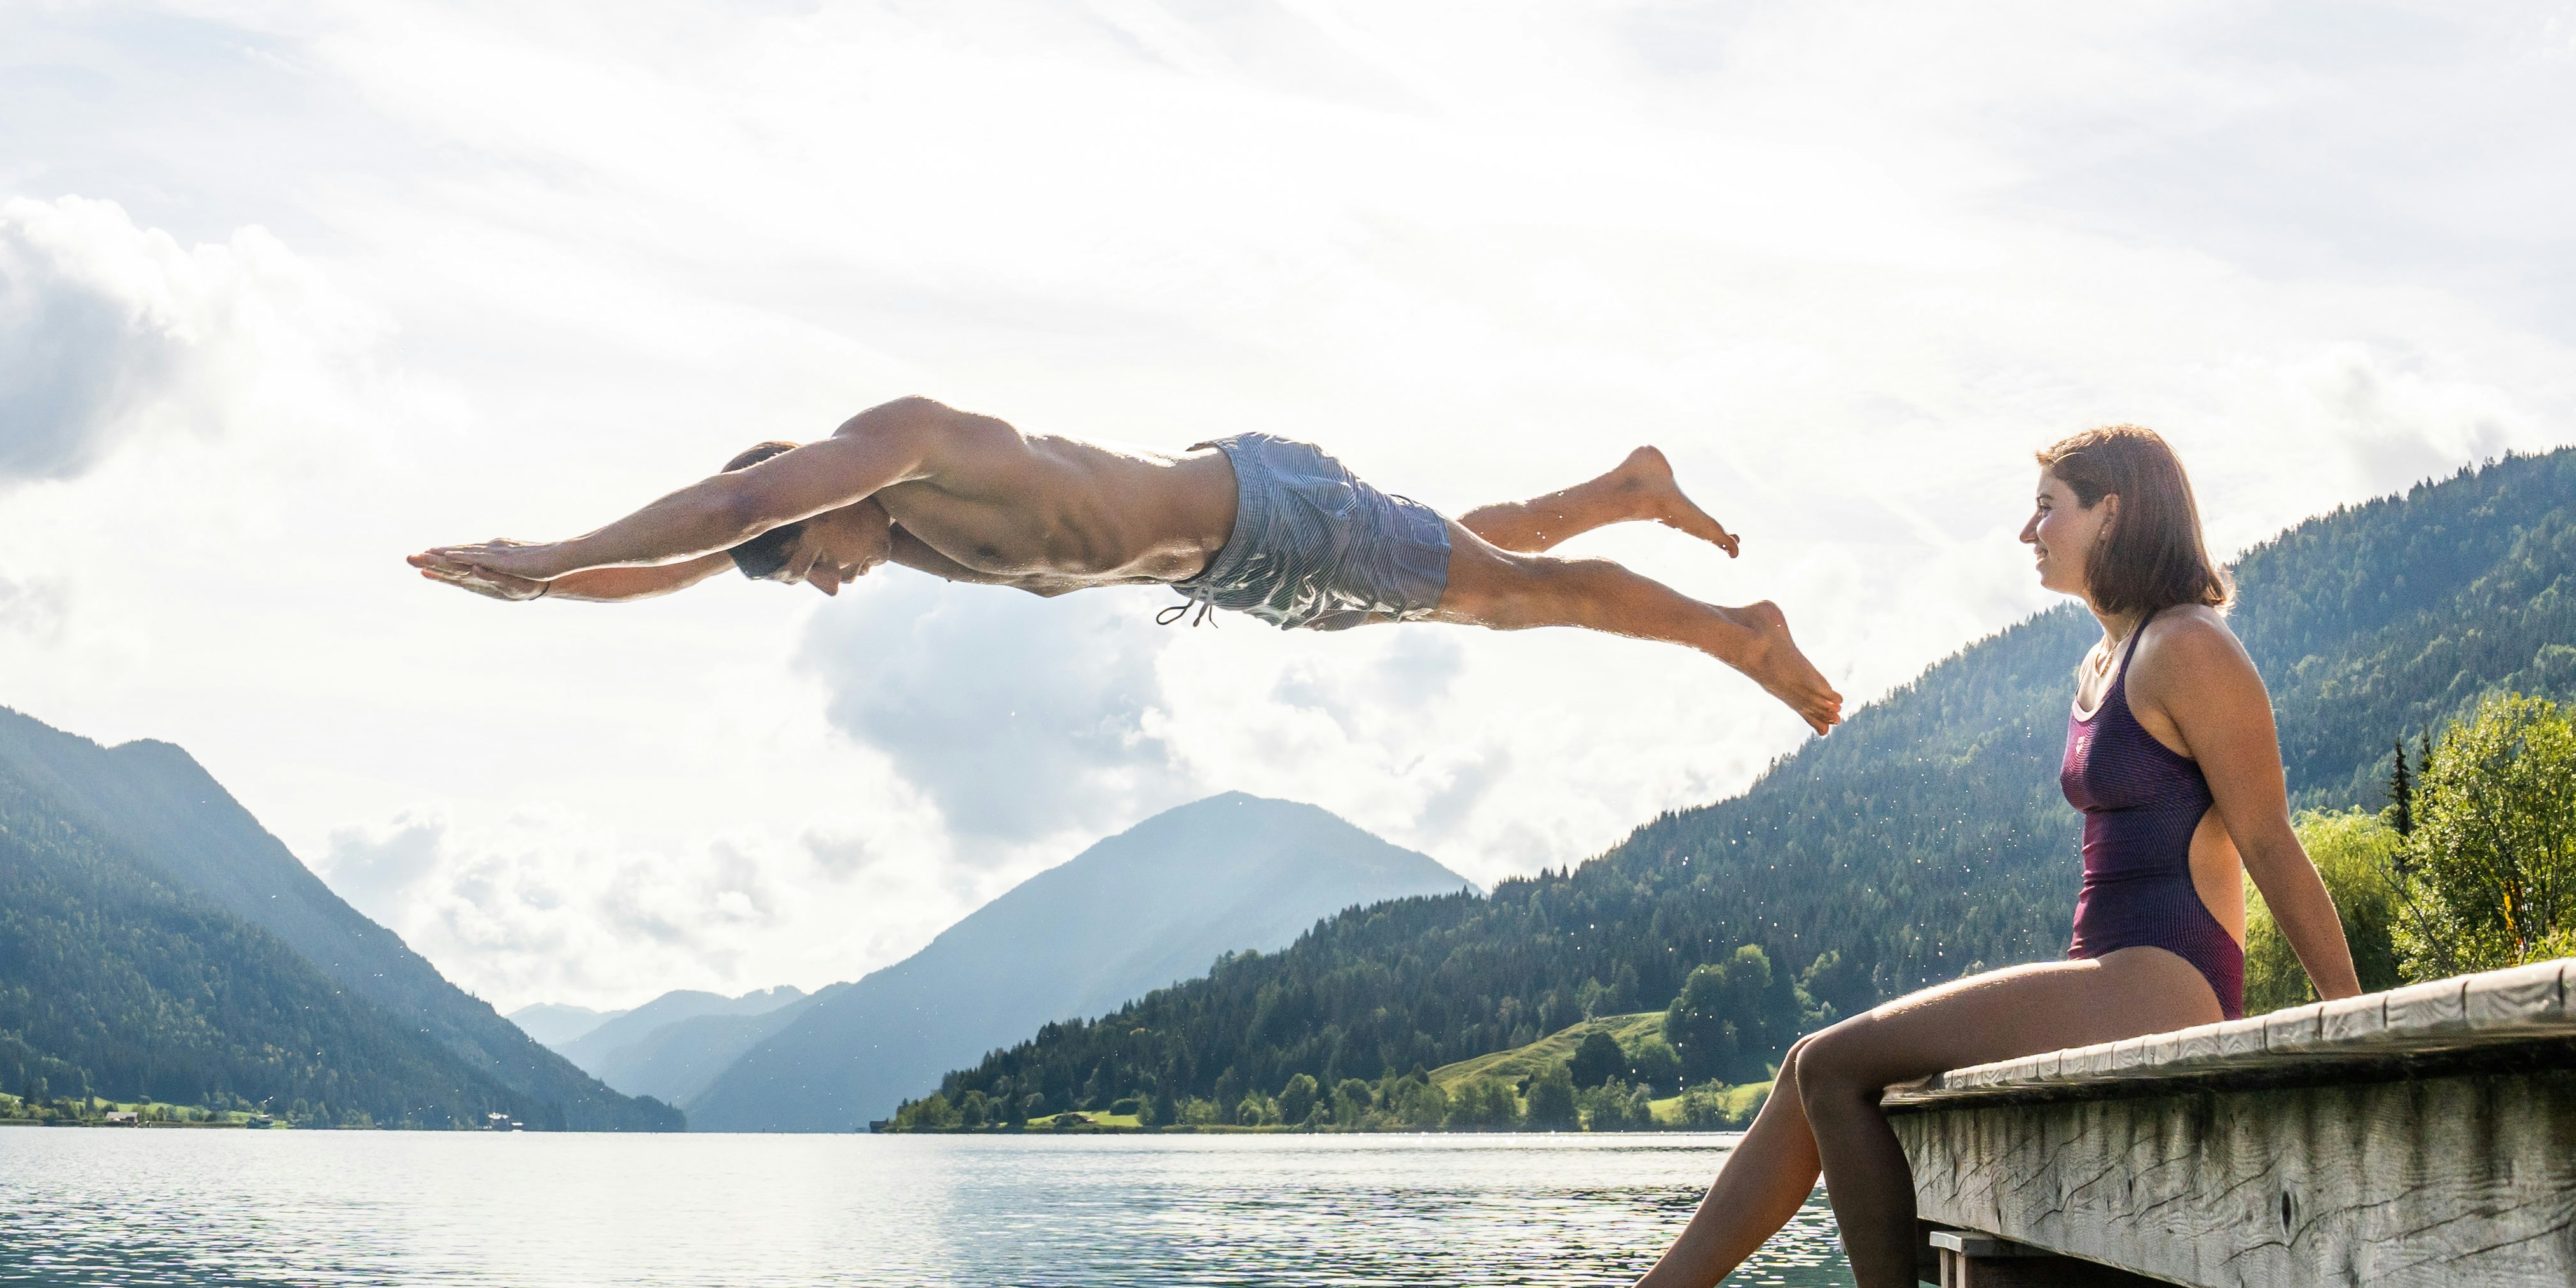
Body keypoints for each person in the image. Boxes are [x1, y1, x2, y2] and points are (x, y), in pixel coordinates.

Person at [1498, 424, 2362, 1288]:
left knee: (1832, 1063)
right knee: (1807, 1073)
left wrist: (2342, 1017)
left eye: (2049, 505)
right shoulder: (2106, 659)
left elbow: (2268, 838)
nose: (2026, 530)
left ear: (2116, 512)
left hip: (2166, 983)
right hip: (2112, 974)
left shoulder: (2190, 647)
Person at [408, 397, 1843, 732]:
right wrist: (550, 595)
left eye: (806, 560)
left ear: (819, 497)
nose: (828, 582)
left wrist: (545, 552)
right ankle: (1619, 489)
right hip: (1244, 572)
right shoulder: (890, 538)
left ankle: (1740, 630)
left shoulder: (907, 448)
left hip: (1268, 513)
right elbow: (693, 563)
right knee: (1466, 568)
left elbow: (750, 502)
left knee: (1508, 602)